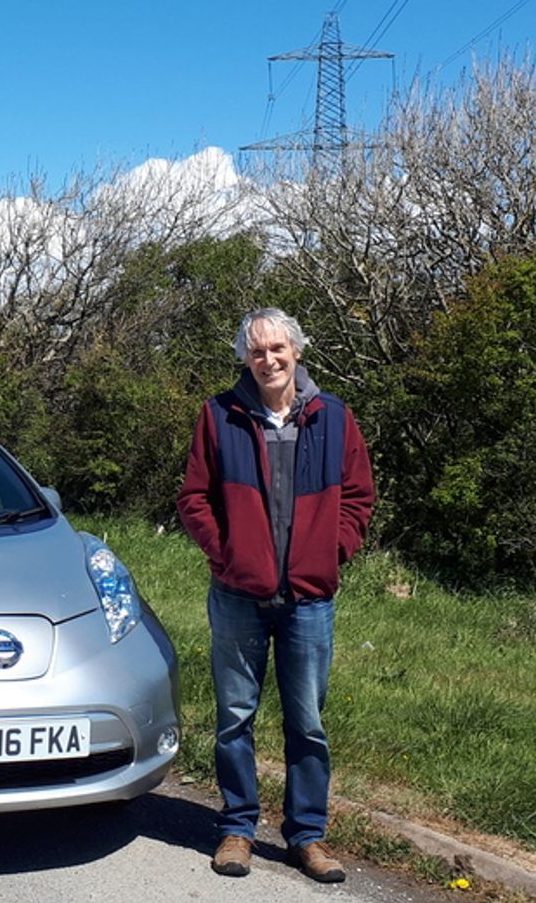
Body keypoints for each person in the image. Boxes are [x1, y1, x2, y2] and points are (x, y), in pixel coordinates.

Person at [176, 308, 375, 882]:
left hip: (309, 599)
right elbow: (194, 498)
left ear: (297, 351)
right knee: (235, 716)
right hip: (238, 593)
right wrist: (228, 554)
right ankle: (238, 828)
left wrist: (331, 551)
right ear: (245, 357)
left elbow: (360, 496)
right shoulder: (219, 416)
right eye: (257, 351)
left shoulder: (333, 416)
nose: (268, 359)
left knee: (307, 722)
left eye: (278, 348)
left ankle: (306, 837)